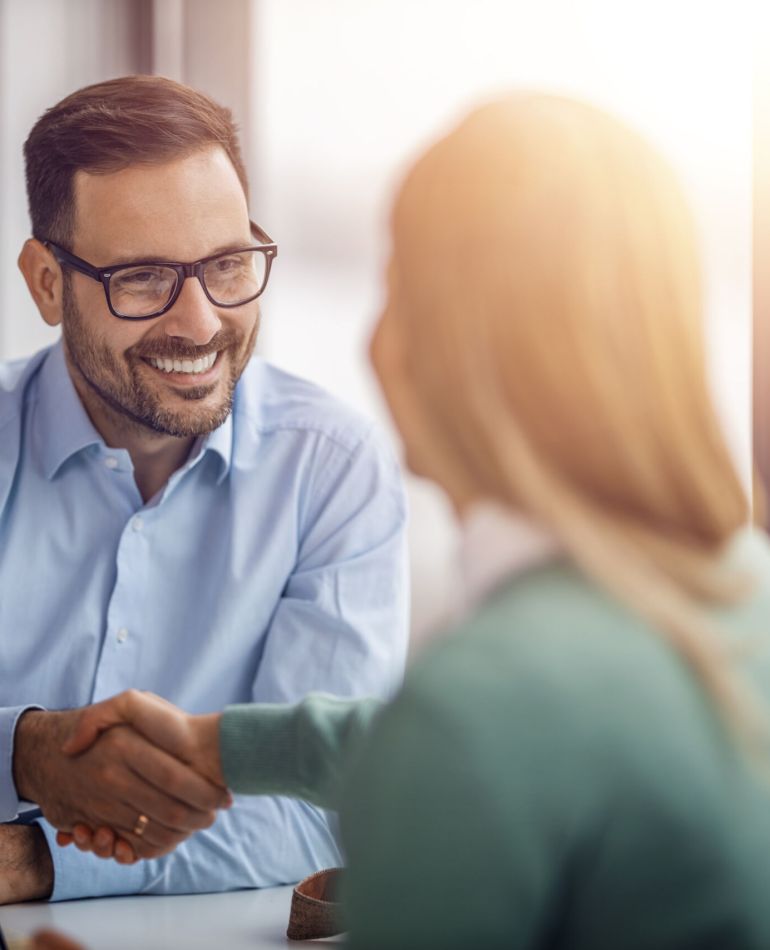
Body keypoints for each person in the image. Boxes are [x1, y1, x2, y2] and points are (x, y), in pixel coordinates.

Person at [29, 91, 770, 949]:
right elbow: (448, 739)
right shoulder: (741, 590)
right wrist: (218, 746)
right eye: (142, 277)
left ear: (425, 351)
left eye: (394, 290)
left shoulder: (474, 707)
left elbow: (463, 739)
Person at [0, 75, 409, 904]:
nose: (200, 323)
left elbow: (323, 808)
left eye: (227, 264)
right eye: (142, 277)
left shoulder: (333, 469)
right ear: (46, 282)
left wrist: (33, 858)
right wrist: (24, 753)